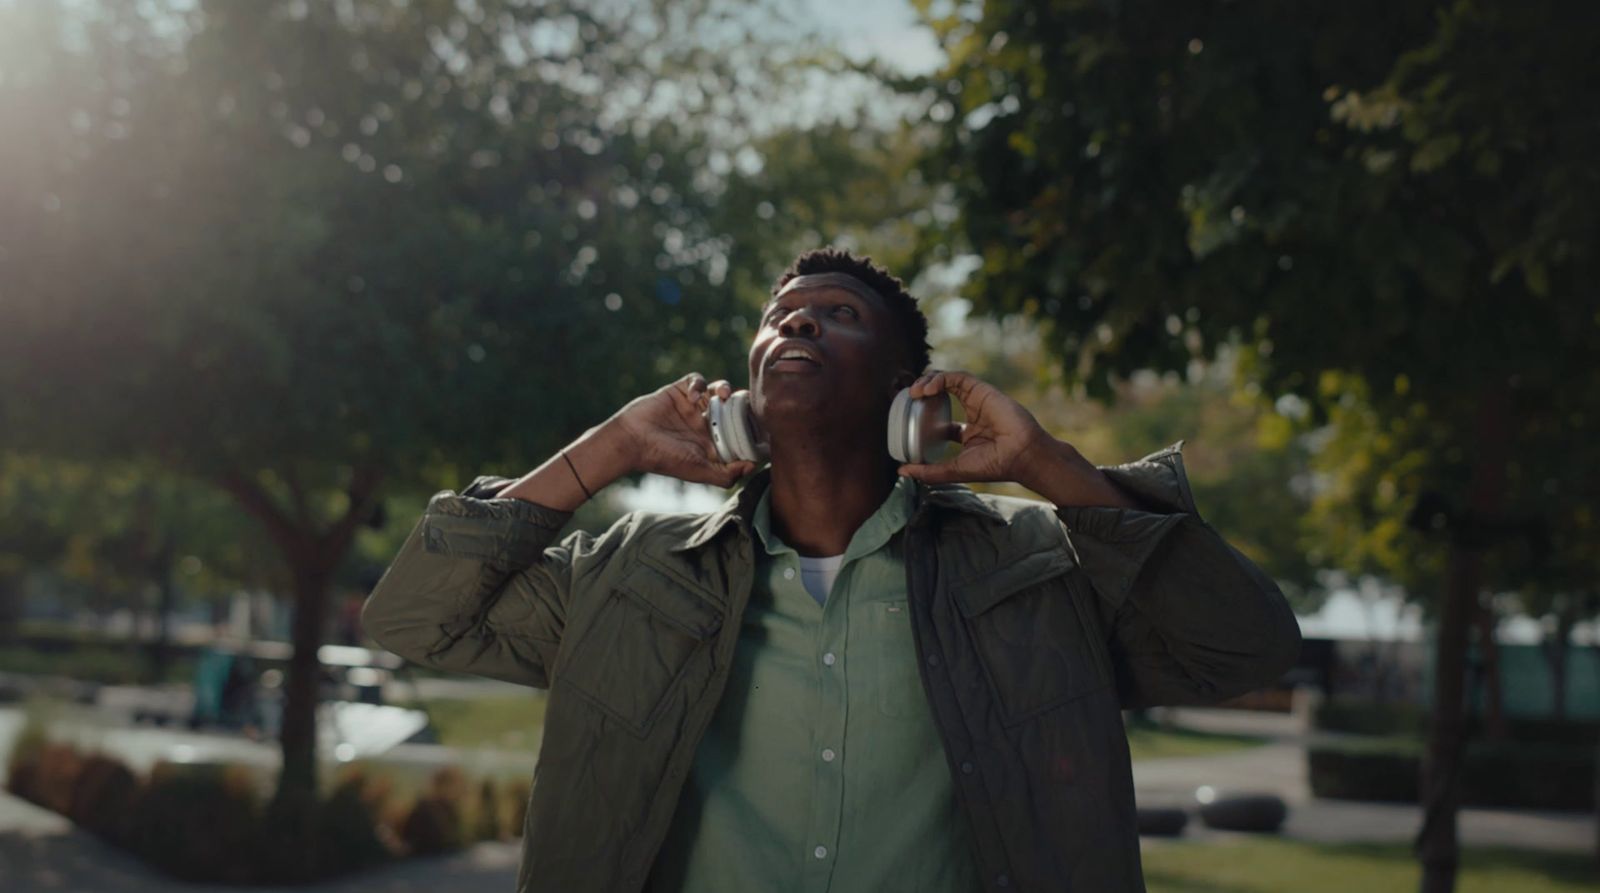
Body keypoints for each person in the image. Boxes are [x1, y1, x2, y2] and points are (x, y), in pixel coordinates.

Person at [362, 247, 1302, 893]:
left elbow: (1245, 645)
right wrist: (607, 450)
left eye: (837, 315)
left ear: (910, 390)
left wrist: (1047, 463)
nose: (797, 326)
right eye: (779, 318)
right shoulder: (626, 572)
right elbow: (416, 618)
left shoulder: (1037, 561)